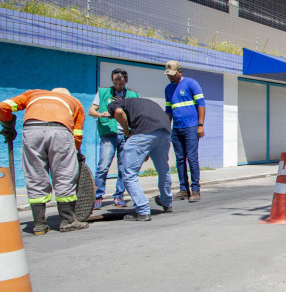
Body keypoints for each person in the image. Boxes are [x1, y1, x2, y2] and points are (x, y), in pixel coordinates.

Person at [0, 88, 89, 234]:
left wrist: (7, 123)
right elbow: (77, 134)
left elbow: (4, 106)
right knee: (64, 174)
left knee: (35, 175)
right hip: (61, 132)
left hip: (31, 132)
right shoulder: (74, 102)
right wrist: (75, 152)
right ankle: (68, 221)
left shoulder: (33, 94)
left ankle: (39, 225)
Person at [107, 97, 173, 221]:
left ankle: (142, 210)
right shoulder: (142, 103)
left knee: (129, 173)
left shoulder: (115, 104)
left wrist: (126, 131)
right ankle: (167, 202)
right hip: (164, 132)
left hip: (143, 133)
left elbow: (119, 113)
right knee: (163, 169)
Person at [88, 68, 139, 209]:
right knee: (103, 166)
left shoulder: (133, 95)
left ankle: (119, 196)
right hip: (108, 133)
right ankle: (97, 197)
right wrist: (101, 115)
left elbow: (136, 115)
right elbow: (91, 112)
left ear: (126, 81)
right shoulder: (103, 93)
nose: (118, 86)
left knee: (124, 167)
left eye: (121, 84)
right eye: (116, 83)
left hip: (126, 135)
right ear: (112, 80)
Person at [164, 61, 205, 202]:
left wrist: (200, 125)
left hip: (192, 127)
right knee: (180, 159)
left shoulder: (191, 84)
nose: (170, 77)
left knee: (192, 158)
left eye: (172, 74)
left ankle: (195, 190)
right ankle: (183, 189)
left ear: (179, 72)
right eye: (168, 74)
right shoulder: (168, 89)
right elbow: (168, 111)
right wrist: (165, 128)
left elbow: (201, 104)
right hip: (177, 129)